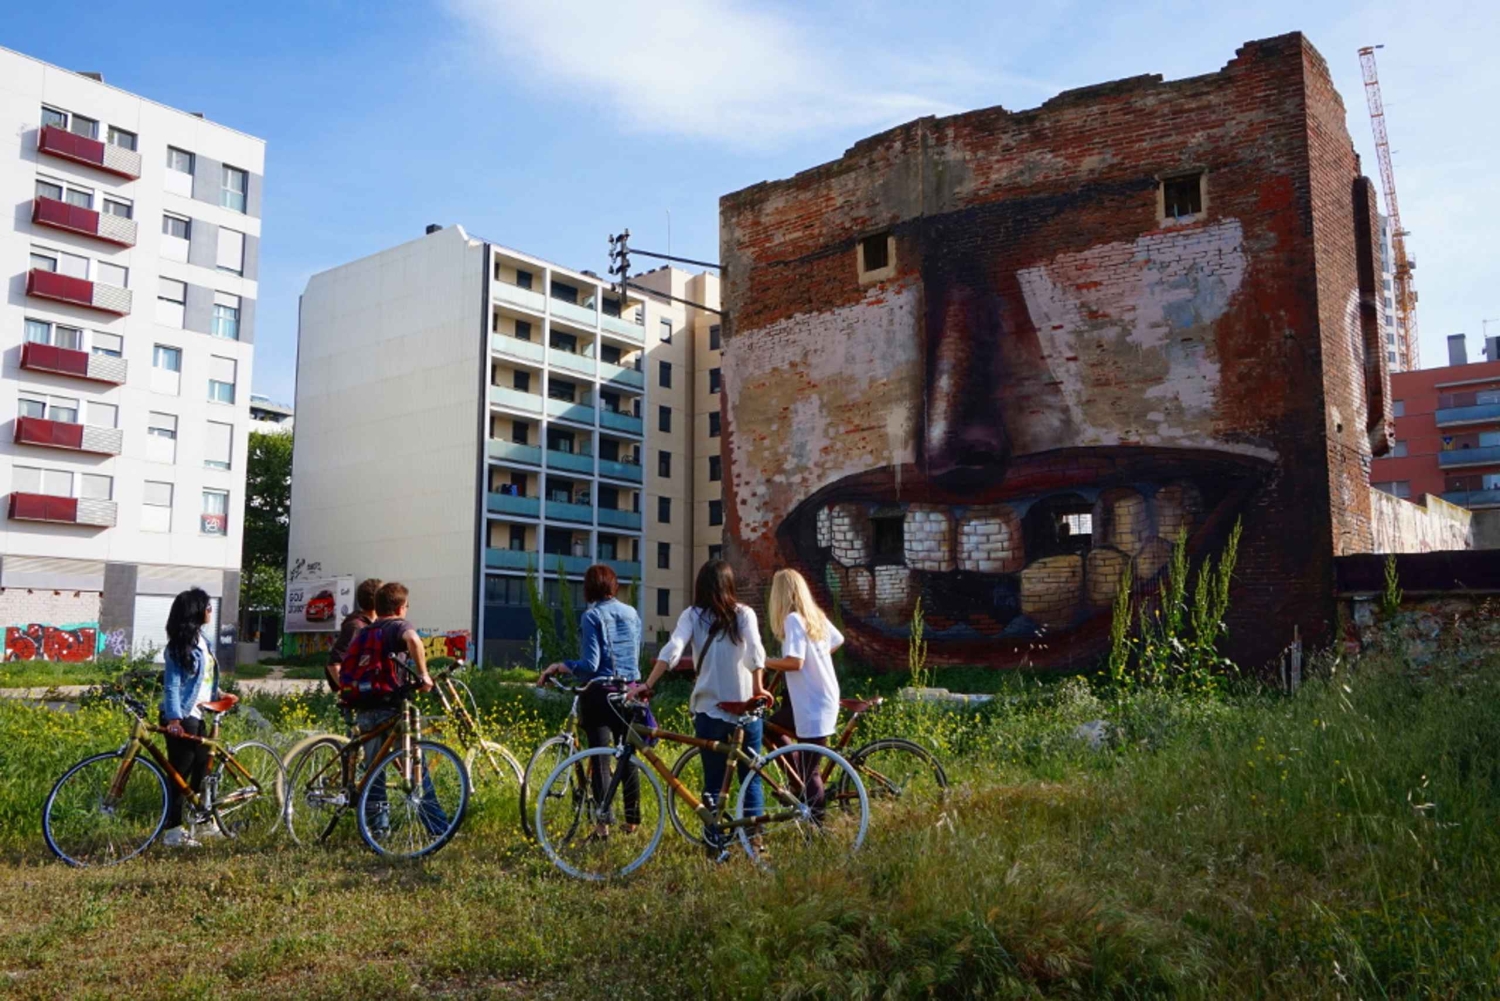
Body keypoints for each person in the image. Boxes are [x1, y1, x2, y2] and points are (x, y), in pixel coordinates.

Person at [630, 559, 770, 856]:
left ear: (700, 586)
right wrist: (757, 688)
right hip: (745, 710)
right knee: (751, 777)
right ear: (730, 585)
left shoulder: (692, 616)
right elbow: (756, 650)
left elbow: (673, 649)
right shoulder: (744, 614)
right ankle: (755, 843)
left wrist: (649, 684)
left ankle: (714, 842)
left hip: (709, 711)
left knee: (713, 781)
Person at [537, 564, 642, 835]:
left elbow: (589, 665)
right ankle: (631, 821)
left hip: (600, 694)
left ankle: (602, 826)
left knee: (599, 758)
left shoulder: (591, 616)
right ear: (614, 585)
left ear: (588, 589)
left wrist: (560, 666)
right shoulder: (632, 614)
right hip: (629, 691)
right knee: (627, 755)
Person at [344, 582, 439, 835]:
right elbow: (413, 641)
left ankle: (378, 829)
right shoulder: (398, 625)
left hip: (365, 707)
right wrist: (424, 675)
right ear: (399, 607)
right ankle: (437, 825)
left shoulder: (365, 631)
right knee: (415, 762)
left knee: (374, 770)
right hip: (390, 706)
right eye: (406, 606)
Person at [764, 568, 844, 817]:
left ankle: (817, 829)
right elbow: (837, 639)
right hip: (823, 698)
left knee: (812, 772)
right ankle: (797, 780)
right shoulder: (815, 616)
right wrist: (817, 661)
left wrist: (765, 661)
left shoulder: (793, 620)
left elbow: (795, 662)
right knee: (772, 727)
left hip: (812, 703)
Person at [159, 587, 219, 847]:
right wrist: (174, 719)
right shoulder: (178, 647)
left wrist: (220, 694)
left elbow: (203, 679)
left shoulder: (203, 640)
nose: (210, 611)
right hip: (182, 715)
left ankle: (202, 819)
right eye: (207, 607)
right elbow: (171, 685)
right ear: (196, 611)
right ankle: (173, 831)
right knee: (179, 775)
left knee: (203, 768)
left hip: (200, 711)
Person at [326, 578, 382, 693]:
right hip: (358, 697)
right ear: (378, 601)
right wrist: (349, 691)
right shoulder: (356, 626)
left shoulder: (374, 624)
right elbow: (333, 664)